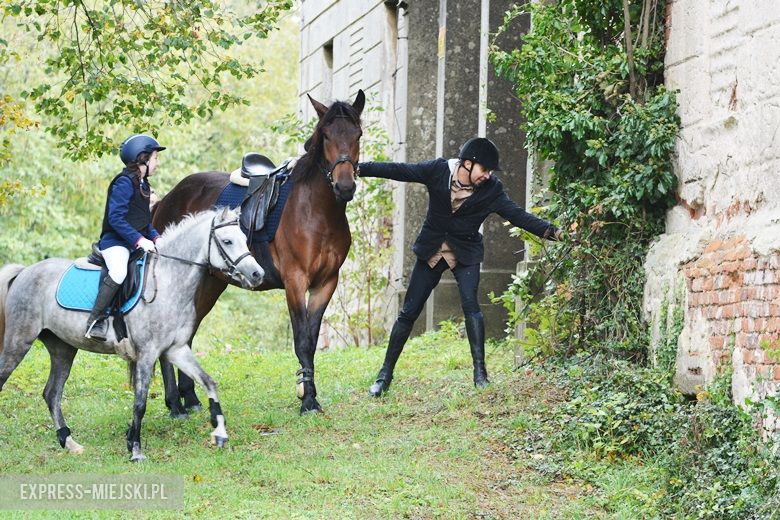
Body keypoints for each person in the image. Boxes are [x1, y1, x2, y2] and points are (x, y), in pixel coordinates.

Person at [360, 137, 563, 396]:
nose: (487, 175)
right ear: (468, 164)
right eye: (484, 169)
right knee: (408, 312)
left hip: (465, 251)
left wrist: (555, 233)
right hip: (431, 248)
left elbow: (517, 215)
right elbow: (400, 170)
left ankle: (480, 374)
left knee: (471, 307)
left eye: (490, 171)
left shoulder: (492, 189)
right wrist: (359, 167)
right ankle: (384, 375)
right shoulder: (437, 170)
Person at [84, 134, 166, 340]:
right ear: (142, 158)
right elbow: (115, 218)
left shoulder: (143, 184)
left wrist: (156, 238)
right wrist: (139, 240)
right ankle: (96, 319)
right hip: (115, 242)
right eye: (155, 158)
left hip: (133, 244)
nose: (157, 163)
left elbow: (144, 222)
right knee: (119, 272)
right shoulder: (124, 182)